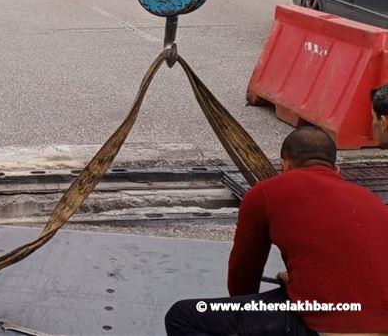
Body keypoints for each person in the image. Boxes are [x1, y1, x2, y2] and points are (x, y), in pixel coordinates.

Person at [165, 127, 388, 336]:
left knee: (183, 316)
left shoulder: (265, 193)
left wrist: (245, 313)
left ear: (285, 165)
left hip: (321, 324)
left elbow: (243, 274)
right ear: (336, 169)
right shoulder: (372, 200)